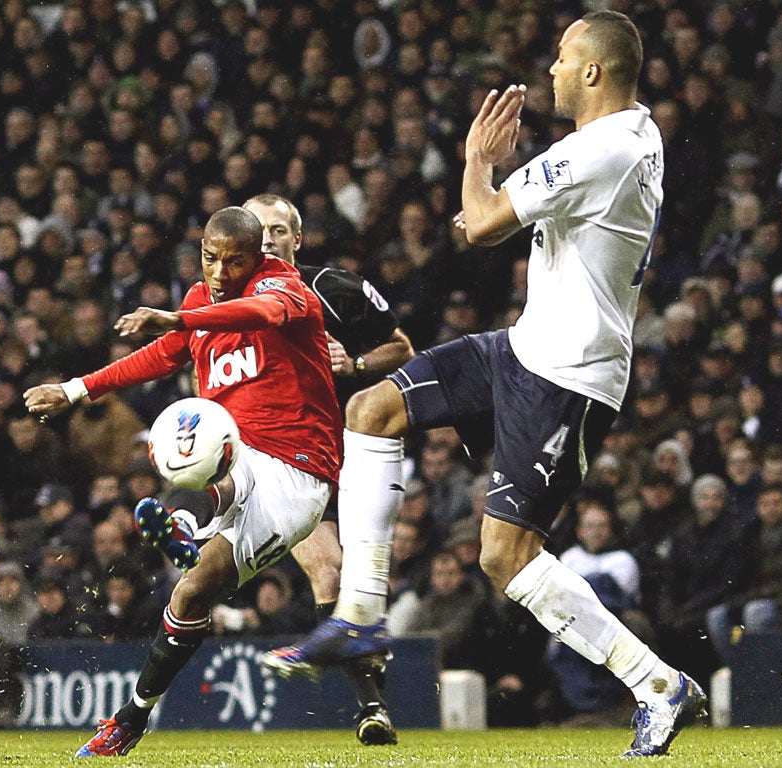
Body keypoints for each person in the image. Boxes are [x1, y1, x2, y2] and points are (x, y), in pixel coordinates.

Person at [263, 12, 706, 757]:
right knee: (371, 408)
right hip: (522, 346)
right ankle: (362, 612)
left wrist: (476, 158)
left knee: (504, 558)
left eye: (564, 59)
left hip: (569, 378)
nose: (554, 70)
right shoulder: (640, 134)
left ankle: (658, 685)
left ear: (594, 72)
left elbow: (480, 221)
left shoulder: (600, 150)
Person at [23, 206, 342, 757]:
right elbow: (151, 359)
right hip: (237, 452)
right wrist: (76, 390)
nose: (219, 273)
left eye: (233, 261)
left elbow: (262, 312)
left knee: (198, 567)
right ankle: (134, 715)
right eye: (209, 259)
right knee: (194, 460)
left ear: (257, 257)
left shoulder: (286, 288)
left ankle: (185, 525)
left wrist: (177, 319)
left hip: (297, 467)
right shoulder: (198, 302)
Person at [243, 193, 413, 745]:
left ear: (297, 240)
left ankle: (371, 697)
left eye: (277, 230)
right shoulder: (226, 311)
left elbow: (403, 349)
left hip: (354, 456)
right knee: (331, 573)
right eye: (256, 231)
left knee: (361, 581)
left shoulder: (334, 290)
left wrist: (356, 363)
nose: (266, 240)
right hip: (287, 464)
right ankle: (372, 708)